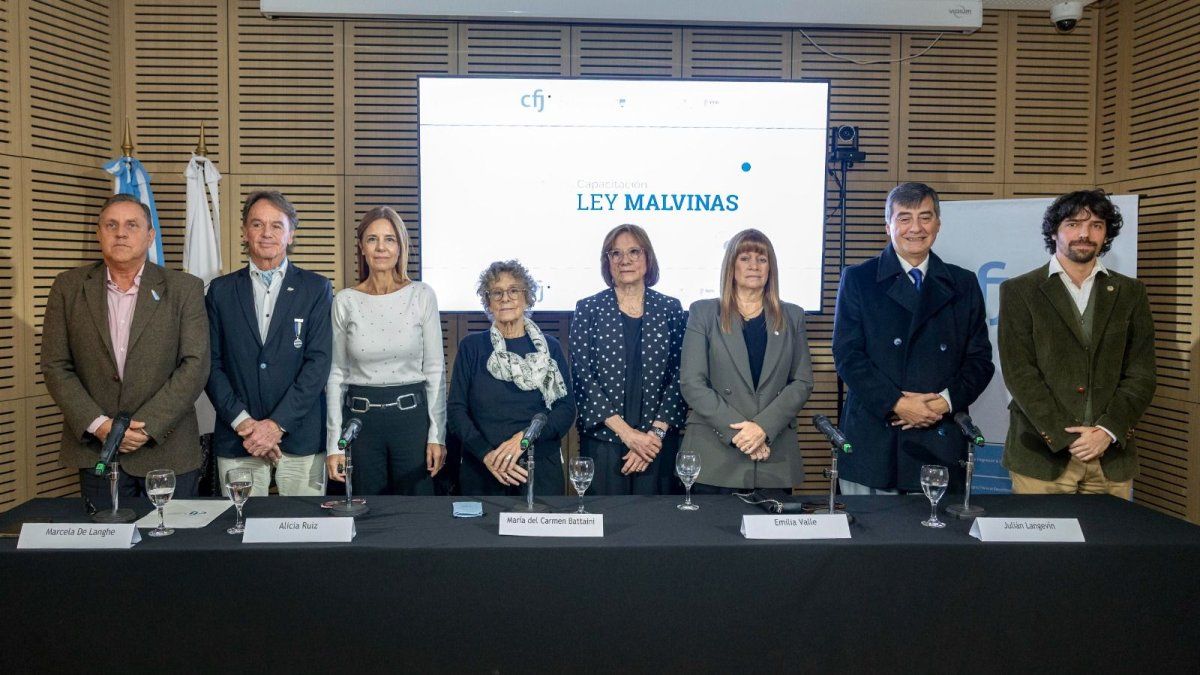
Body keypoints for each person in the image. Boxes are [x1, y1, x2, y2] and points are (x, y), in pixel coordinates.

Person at [41, 194, 210, 509]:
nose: (121, 233)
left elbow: (195, 365)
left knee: (172, 539)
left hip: (167, 450)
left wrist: (146, 427)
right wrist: (100, 425)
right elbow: (55, 365)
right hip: (98, 451)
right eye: (111, 225)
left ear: (150, 236)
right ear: (99, 234)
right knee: (103, 540)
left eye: (132, 225)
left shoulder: (184, 288)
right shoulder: (68, 287)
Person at [832, 182, 994, 494]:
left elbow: (979, 360)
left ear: (938, 224)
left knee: (938, 526)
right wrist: (897, 403)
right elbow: (847, 355)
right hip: (876, 439)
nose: (916, 228)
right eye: (904, 218)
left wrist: (944, 402)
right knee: (870, 525)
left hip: (940, 435)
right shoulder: (859, 279)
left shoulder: (963, 283)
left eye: (925, 217)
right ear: (888, 226)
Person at [999, 189, 1155, 497]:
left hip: (1110, 456)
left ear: (1106, 234)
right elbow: (1019, 374)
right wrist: (1067, 437)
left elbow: (1142, 374)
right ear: (1054, 231)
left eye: (1096, 225)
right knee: (1043, 533)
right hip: (1042, 457)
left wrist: (1106, 431)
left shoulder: (1131, 292)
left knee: (1110, 532)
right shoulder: (1020, 291)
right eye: (1073, 224)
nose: (1085, 234)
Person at [205, 191, 333, 496]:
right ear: (245, 232)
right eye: (257, 224)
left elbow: (318, 364)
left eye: (277, 225)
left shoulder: (316, 289)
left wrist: (276, 426)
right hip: (239, 437)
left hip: (300, 435)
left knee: (303, 523)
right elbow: (209, 365)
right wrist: (245, 424)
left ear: (290, 234)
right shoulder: (220, 291)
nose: (267, 233)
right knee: (241, 522)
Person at [679, 229, 813, 494]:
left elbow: (802, 382)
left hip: (773, 457)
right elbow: (692, 383)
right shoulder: (703, 313)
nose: (754, 266)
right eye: (745, 258)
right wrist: (743, 434)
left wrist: (763, 428)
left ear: (770, 268)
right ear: (731, 266)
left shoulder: (793, 315)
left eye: (762, 259)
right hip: (715, 457)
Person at [325, 207, 447, 495]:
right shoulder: (345, 301)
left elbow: (435, 371)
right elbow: (336, 374)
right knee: (366, 513)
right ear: (362, 247)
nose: (381, 247)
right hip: (360, 424)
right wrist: (334, 445)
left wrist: (437, 435)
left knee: (415, 513)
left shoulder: (422, 295)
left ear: (400, 246)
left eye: (389, 239)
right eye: (372, 239)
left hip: (412, 422)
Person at [570, 224, 686, 495]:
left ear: (648, 257)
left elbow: (681, 375)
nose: (625, 260)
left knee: (655, 518)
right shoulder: (588, 308)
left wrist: (652, 438)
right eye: (616, 253)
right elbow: (582, 378)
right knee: (605, 518)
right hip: (604, 441)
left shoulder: (670, 308)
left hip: (657, 443)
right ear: (607, 261)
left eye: (634, 251)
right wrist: (628, 435)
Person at [448, 260, 576, 496]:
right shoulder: (471, 347)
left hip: (538, 470)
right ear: (488, 302)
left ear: (527, 298)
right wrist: (487, 455)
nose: (505, 298)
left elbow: (565, 409)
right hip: (484, 468)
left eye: (513, 290)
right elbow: (456, 411)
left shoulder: (550, 348)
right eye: (497, 293)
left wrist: (524, 440)